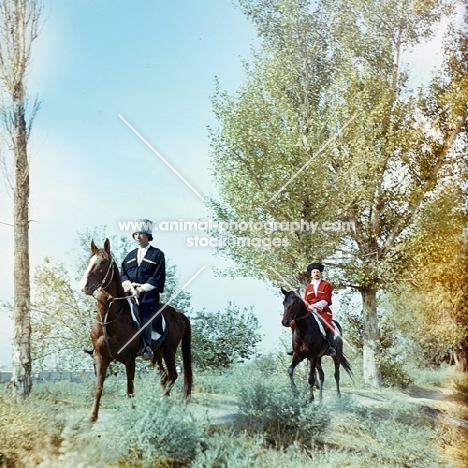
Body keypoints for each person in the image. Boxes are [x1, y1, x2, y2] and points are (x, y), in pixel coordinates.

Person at [121, 219, 166, 360]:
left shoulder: (157, 254)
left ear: (148, 235)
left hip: (148, 296)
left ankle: (147, 347)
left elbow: (158, 276)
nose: (138, 237)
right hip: (129, 293)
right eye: (135, 234)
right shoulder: (129, 255)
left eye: (141, 234)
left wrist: (143, 288)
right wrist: (128, 284)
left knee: (145, 316)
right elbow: (123, 273)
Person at [304, 262, 336, 356]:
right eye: (314, 272)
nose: (316, 274)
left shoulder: (326, 285)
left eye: (317, 272)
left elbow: (326, 300)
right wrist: (306, 307)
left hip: (323, 310)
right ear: (311, 274)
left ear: (320, 273)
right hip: (310, 310)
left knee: (327, 323)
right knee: (297, 322)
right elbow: (306, 300)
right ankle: (296, 346)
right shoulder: (308, 287)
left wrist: (314, 306)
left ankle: (331, 347)